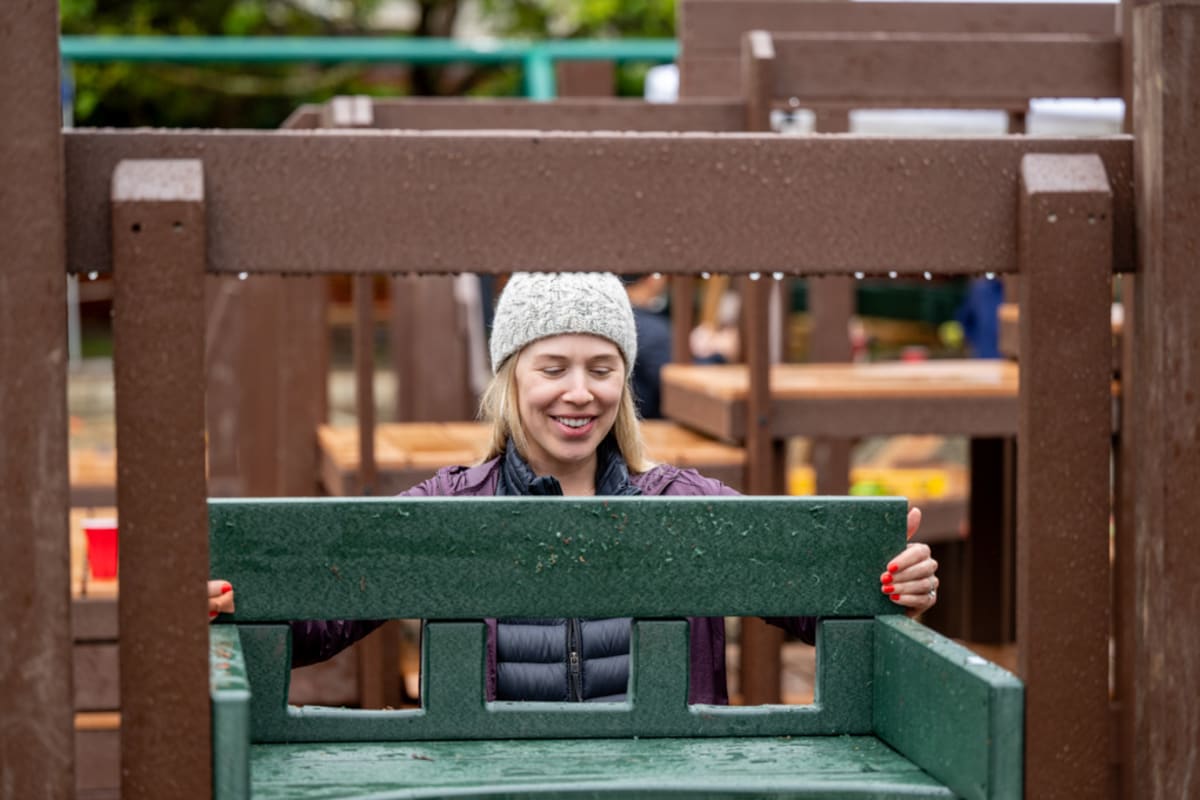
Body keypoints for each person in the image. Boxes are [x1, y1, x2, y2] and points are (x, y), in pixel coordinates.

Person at [208, 272, 938, 703]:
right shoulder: (449, 508)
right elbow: (320, 624)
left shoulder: (683, 504)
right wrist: (236, 604)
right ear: (510, 379)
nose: (579, 392)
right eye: (551, 367)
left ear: (625, 381)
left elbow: (823, 606)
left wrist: (895, 584)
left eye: (602, 367)